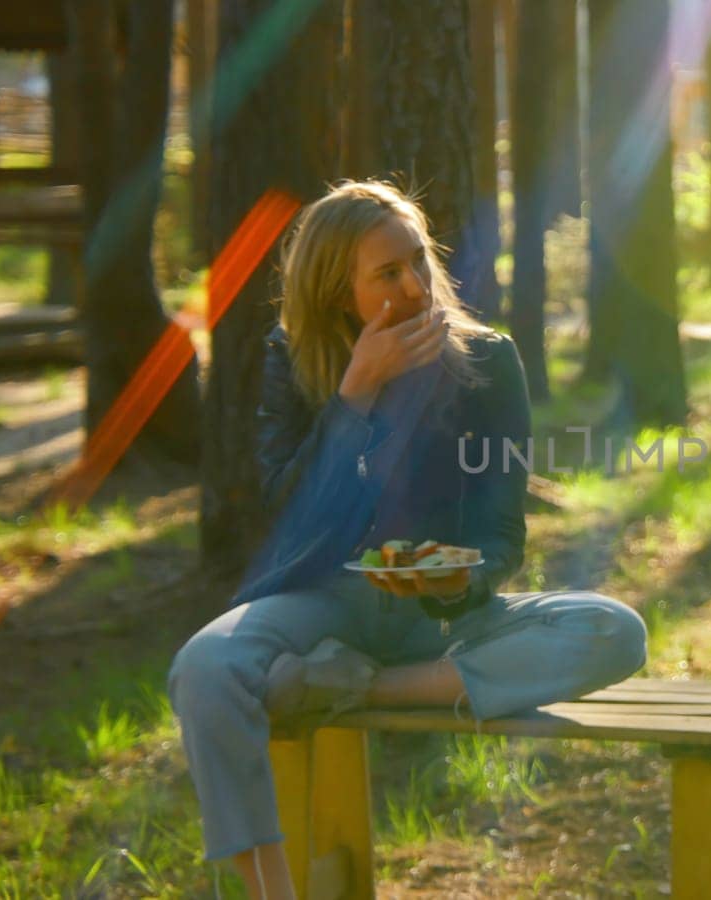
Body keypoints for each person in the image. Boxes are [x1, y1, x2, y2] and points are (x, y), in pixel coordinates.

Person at [167, 180, 647, 899]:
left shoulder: (489, 363)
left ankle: (352, 685)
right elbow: (289, 516)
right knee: (204, 666)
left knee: (616, 631)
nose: (416, 285)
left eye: (418, 259)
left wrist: (463, 577)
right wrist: (355, 396)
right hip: (324, 605)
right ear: (338, 294)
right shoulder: (293, 356)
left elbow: (501, 531)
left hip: (442, 622)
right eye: (387, 274)